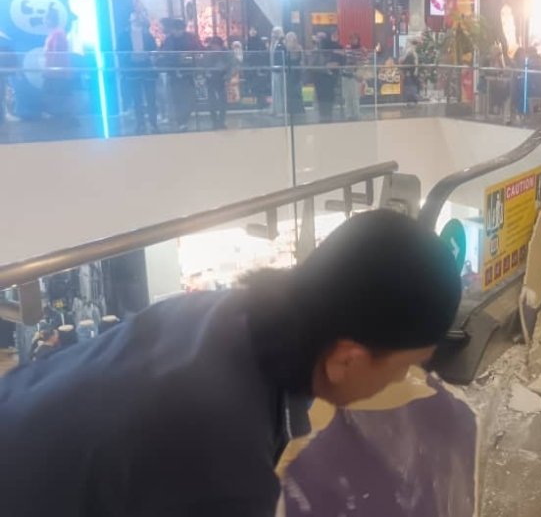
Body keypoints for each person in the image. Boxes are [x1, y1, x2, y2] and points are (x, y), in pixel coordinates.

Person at [0, 210, 462, 516]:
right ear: (347, 359)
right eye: (403, 367)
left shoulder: (225, 314)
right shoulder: (226, 456)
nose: (403, 380)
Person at [118, 13, 159, 134]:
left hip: (147, 69)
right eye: (134, 19)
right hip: (132, 70)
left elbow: (153, 49)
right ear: (130, 20)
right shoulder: (123, 35)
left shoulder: (147, 35)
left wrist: (149, 57)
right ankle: (140, 124)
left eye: (138, 19)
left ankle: (153, 123)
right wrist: (130, 58)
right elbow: (120, 51)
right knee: (137, 100)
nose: (136, 21)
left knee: (151, 98)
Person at [159, 18, 202, 131]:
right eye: (175, 30)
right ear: (172, 29)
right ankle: (181, 122)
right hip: (174, 74)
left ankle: (184, 119)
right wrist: (176, 63)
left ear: (183, 29)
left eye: (180, 29)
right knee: (177, 99)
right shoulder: (168, 40)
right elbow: (164, 55)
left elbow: (198, 53)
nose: (177, 32)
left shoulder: (191, 38)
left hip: (188, 73)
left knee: (191, 99)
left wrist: (185, 58)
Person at [42, 7, 75, 124]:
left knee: (60, 95)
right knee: (56, 94)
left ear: (50, 20)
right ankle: (59, 117)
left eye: (45, 19)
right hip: (53, 71)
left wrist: (51, 69)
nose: (44, 22)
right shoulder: (56, 33)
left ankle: (64, 119)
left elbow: (58, 53)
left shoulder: (58, 33)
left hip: (57, 72)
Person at [204, 36, 234, 129]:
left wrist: (227, 77)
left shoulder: (227, 53)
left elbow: (231, 65)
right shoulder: (208, 52)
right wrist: (206, 73)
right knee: (212, 101)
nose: (214, 48)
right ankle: (214, 121)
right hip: (211, 78)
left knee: (223, 101)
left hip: (222, 78)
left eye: (216, 46)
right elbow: (203, 64)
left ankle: (221, 121)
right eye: (213, 46)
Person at [313, 32, 337, 122]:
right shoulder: (316, 52)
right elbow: (314, 65)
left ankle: (327, 116)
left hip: (328, 80)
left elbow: (336, 63)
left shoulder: (330, 51)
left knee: (328, 98)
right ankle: (323, 116)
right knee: (322, 99)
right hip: (320, 79)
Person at [342, 33, 364, 121]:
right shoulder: (347, 49)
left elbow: (360, 63)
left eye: (355, 39)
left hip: (355, 77)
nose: (353, 41)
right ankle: (348, 115)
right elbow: (347, 61)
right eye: (351, 39)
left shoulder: (361, 50)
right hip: (347, 75)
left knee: (355, 97)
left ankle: (356, 115)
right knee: (347, 98)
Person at [245, 26, 268, 109]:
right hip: (251, 67)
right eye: (251, 30)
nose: (252, 32)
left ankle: (262, 102)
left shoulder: (260, 42)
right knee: (254, 85)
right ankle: (258, 102)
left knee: (260, 85)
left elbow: (263, 53)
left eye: (254, 30)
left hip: (258, 66)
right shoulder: (248, 41)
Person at [284, 31, 305, 115]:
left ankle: (299, 109)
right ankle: (291, 109)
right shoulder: (285, 48)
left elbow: (302, 59)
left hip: (297, 73)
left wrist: (302, 66)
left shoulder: (299, 47)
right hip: (289, 73)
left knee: (298, 91)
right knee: (290, 92)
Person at [270, 26, 287, 116]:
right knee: (275, 91)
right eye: (273, 32)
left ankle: (280, 110)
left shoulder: (281, 43)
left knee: (280, 91)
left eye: (276, 32)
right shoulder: (274, 43)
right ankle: (275, 108)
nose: (274, 34)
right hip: (274, 70)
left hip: (280, 71)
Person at [401, 37, 420, 107]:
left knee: (410, 85)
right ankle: (411, 99)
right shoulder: (411, 51)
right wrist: (414, 71)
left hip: (410, 72)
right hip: (410, 72)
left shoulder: (409, 51)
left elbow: (404, 60)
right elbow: (413, 63)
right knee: (411, 85)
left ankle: (411, 99)